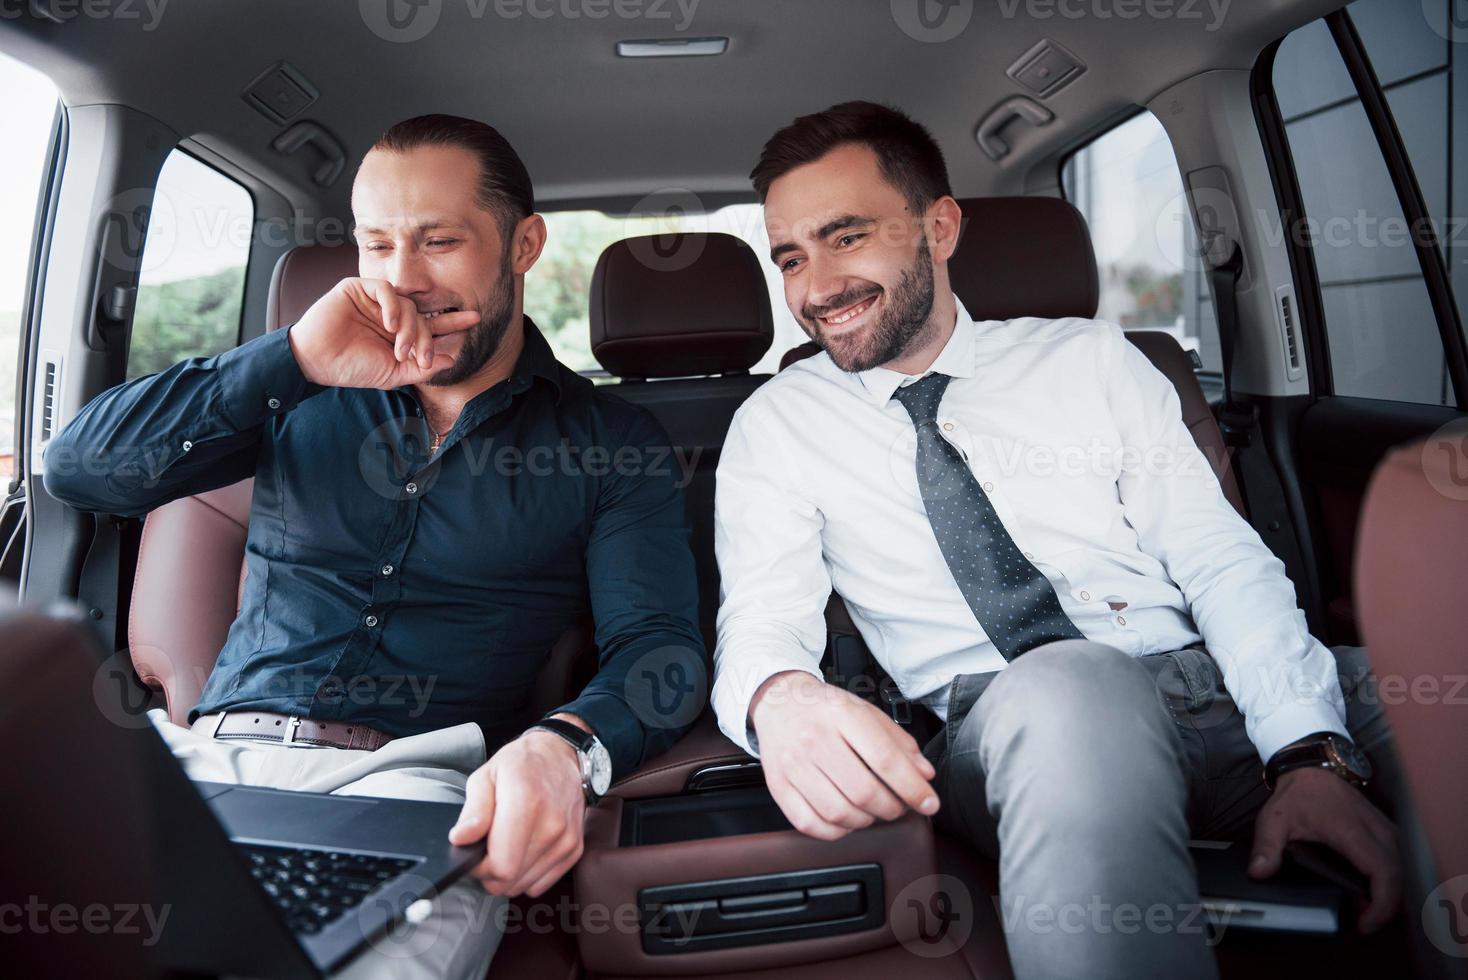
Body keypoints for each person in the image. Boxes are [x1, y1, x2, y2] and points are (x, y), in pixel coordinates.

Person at [710, 100, 1401, 979]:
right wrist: (781, 697)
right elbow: (761, 620)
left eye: (845, 238)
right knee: (1073, 684)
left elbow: (1218, 560)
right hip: (1009, 726)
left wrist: (1309, 752)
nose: (814, 290)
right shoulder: (778, 426)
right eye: (792, 258)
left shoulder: (1094, 361)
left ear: (940, 226)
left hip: (1211, 690)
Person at [47, 113, 706, 979]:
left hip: (416, 789)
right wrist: (287, 358)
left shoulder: (607, 441)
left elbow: (660, 649)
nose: (403, 280)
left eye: (438, 241)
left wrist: (565, 746)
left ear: (524, 244)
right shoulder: (295, 384)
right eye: (377, 245)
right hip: (201, 759)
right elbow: (79, 471)